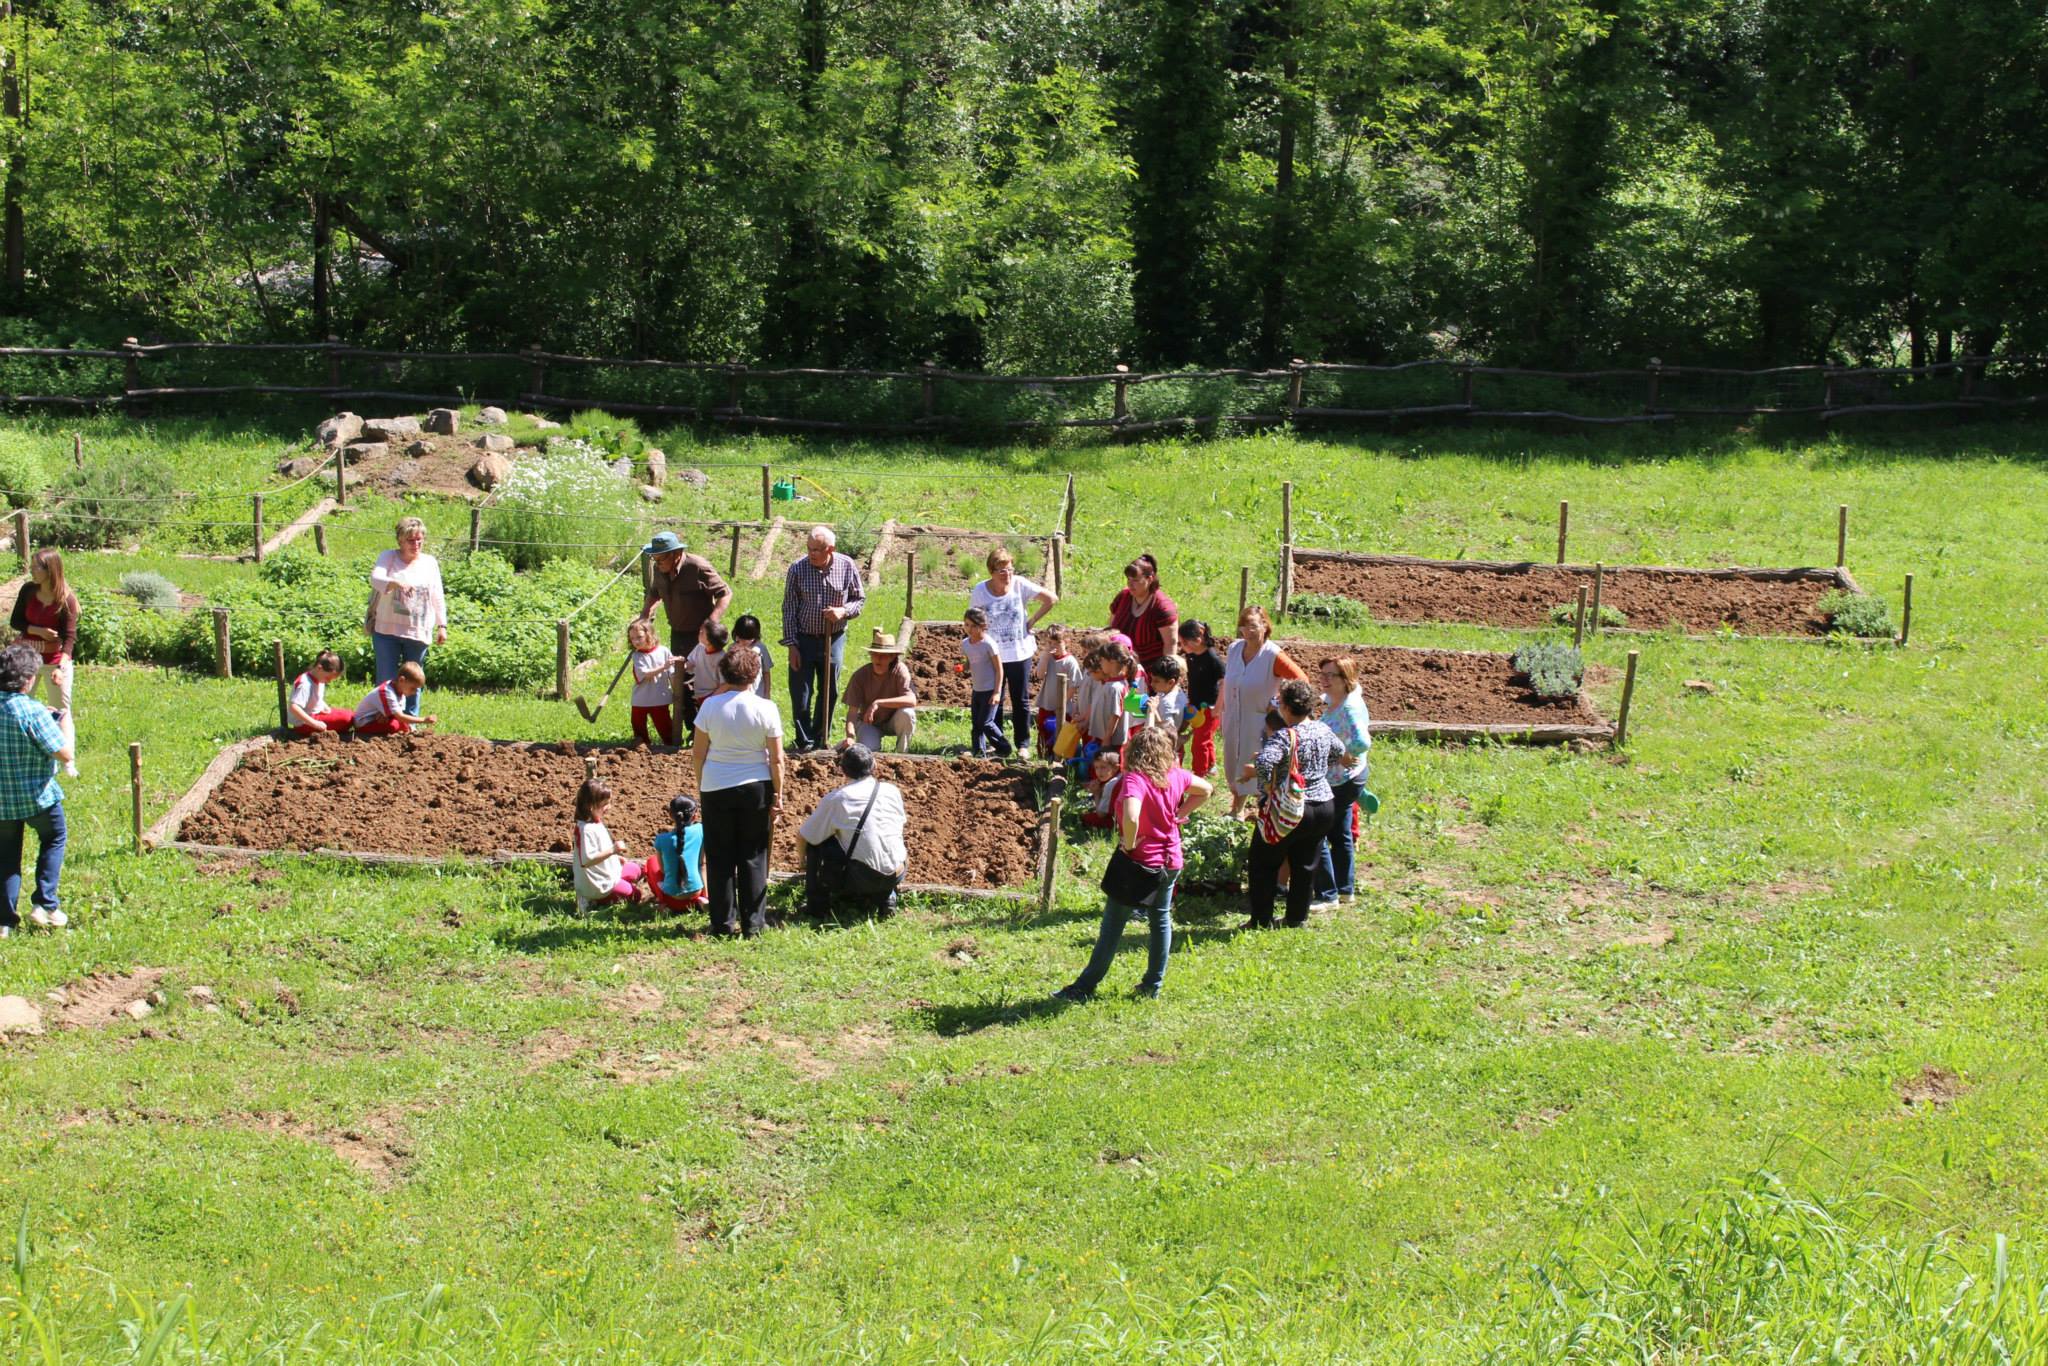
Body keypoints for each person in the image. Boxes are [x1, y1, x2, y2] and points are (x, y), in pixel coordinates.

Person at [1054, 726, 1212, 1002]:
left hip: (1140, 863)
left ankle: (1084, 987)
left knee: (1113, 925)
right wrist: (1179, 815)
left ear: (1134, 752)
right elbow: (1207, 789)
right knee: (1160, 920)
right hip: (1170, 860)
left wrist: (1129, 843)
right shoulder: (1175, 775)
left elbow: (1131, 815)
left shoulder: (1135, 780)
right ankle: (1153, 985)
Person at [691, 646, 785, 937]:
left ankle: (722, 924)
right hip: (756, 787)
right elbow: (778, 758)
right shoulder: (766, 708)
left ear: (724, 673)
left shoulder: (709, 706)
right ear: (754, 675)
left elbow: (698, 753)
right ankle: (754, 924)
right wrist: (778, 795)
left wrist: (701, 783)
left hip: (715, 785)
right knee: (753, 855)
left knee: (719, 856)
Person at [1242, 678, 1342, 930]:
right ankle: (1297, 918)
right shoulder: (1322, 729)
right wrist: (1315, 771)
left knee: (1263, 863)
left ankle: (1261, 921)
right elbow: (1339, 751)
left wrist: (1267, 788)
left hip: (1290, 808)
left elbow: (1265, 763)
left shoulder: (1285, 736)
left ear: (1285, 707)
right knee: (1306, 864)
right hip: (1323, 806)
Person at [0, 644, 73, 936]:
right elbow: (64, 753)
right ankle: (45, 905)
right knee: (54, 837)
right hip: (37, 798)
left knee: (6, 857)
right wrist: (62, 718)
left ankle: (4, 922)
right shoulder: (32, 711)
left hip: (2, 802)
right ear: (29, 679)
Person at [798, 743, 908, 919]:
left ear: (843, 770)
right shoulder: (892, 791)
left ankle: (817, 906)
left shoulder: (838, 798)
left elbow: (804, 836)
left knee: (816, 843)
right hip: (898, 871)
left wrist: (801, 862)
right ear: (874, 766)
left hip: (863, 877)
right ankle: (887, 897)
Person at [780, 525, 865, 752]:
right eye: (809, 548)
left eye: (817, 549)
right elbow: (789, 608)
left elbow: (859, 599)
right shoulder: (798, 569)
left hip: (833, 637)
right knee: (801, 691)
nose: (812, 554)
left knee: (830, 688)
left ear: (830, 549)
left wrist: (843, 611)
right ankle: (803, 739)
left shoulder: (846, 565)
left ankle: (820, 737)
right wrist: (792, 644)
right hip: (804, 638)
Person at [969, 545, 1057, 754]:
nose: (1007, 574)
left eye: (1010, 569)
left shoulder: (1020, 585)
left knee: (1020, 699)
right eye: (1001, 570)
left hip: (1019, 652)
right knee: (994, 699)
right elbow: (973, 618)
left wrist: (1032, 620)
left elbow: (1051, 599)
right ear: (991, 571)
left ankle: (1022, 744)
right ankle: (997, 743)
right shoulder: (981, 591)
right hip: (993, 654)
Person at [1221, 604, 1304, 815]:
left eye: (1252, 626)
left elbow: (1301, 680)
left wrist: (1278, 701)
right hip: (1234, 716)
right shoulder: (1234, 649)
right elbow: (1228, 681)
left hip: (1259, 720)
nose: (1247, 631)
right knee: (1234, 761)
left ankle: (1266, 812)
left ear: (1265, 626)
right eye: (1243, 626)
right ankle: (1236, 809)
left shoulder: (1272, 655)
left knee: (1257, 765)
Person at [367, 517, 447, 718]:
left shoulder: (429, 563)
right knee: (386, 680)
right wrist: (396, 583)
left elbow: (437, 594)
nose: (416, 545)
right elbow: (376, 578)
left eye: (420, 540)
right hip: (386, 630)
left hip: (417, 630)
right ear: (400, 540)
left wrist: (442, 625)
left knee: (413, 681)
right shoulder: (388, 557)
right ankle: (384, 719)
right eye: (411, 540)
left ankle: (410, 720)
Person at [10, 549, 79, 776]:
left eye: (36, 566)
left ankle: (68, 761)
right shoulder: (29, 591)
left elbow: (70, 638)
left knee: (61, 709)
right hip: (27, 658)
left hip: (53, 659)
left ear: (50, 570)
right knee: (17, 705)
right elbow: (16, 620)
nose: (32, 569)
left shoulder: (66, 600)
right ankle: (18, 753)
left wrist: (62, 667)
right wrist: (37, 629)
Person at [1312, 656, 1373, 908]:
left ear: (1345, 680)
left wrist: (1345, 754)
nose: (1324, 679)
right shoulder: (1339, 699)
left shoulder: (1349, 708)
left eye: (1331, 676)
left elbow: (1362, 741)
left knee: (1317, 832)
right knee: (1341, 834)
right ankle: (1345, 889)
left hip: (1342, 779)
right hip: (1346, 777)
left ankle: (1328, 895)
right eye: (1323, 674)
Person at [636, 530, 732, 659]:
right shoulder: (659, 569)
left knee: (703, 674)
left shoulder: (697, 567)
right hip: (677, 633)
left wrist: (711, 622)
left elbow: (725, 593)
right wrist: (644, 616)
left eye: (661, 559)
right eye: (654, 559)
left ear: (676, 554)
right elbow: (654, 593)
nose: (657, 564)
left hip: (701, 634)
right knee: (680, 672)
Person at [571, 778, 644, 913]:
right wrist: (613, 850)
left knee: (636, 869)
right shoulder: (586, 830)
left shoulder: (594, 821)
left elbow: (599, 849)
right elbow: (586, 860)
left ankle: (618, 888)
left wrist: (614, 859)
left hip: (606, 873)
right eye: (605, 804)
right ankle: (592, 899)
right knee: (636, 896)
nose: (608, 807)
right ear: (591, 806)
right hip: (597, 885)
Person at [842, 630, 918, 752]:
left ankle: (902, 754)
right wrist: (850, 737)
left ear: (892, 657)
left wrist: (878, 702)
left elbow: (911, 700)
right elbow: (852, 713)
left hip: (894, 720)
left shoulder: (899, 670)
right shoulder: (860, 676)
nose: (878, 659)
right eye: (875, 654)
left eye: (883, 655)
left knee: (907, 714)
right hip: (869, 724)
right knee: (867, 751)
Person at [1107, 554, 1179, 666]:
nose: (1130, 584)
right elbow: (1110, 630)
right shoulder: (1123, 597)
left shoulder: (1162, 607)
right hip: (1118, 668)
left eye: (1135, 580)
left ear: (1149, 579)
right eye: (1128, 579)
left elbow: (1170, 644)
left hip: (1149, 673)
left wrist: (1164, 675)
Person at [960, 607, 1010, 758]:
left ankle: (1004, 747)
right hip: (977, 689)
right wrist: (963, 667)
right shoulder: (965, 644)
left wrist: (997, 692)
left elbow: (999, 669)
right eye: (967, 624)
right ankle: (979, 752)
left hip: (990, 689)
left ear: (983, 626)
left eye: (974, 626)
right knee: (976, 724)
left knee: (986, 722)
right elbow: (969, 663)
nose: (970, 629)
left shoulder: (989, 644)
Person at [1178, 620, 1224, 777]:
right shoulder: (1191, 655)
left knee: (1199, 743)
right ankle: (1210, 766)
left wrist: (1217, 708)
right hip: (1196, 705)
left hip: (1209, 708)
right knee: (1205, 737)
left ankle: (1199, 774)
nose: (1181, 645)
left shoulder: (1212, 659)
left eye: (1184, 642)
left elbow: (1225, 683)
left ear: (1198, 640)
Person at [648, 794, 708, 913]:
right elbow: (702, 865)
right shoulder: (700, 830)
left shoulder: (661, 839)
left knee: (651, 862)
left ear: (670, 815)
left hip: (672, 899)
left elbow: (663, 870)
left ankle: (663, 904)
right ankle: (703, 901)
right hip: (696, 894)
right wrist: (706, 895)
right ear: (695, 816)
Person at [626, 619, 678, 747]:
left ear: (650, 634)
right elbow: (646, 674)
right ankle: (642, 747)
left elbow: (672, 673)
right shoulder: (637, 656)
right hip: (641, 699)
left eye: (639, 637)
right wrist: (664, 666)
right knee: (638, 727)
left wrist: (677, 691)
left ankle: (670, 747)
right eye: (632, 638)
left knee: (665, 726)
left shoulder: (664, 651)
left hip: (659, 698)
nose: (636, 641)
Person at [1035, 625, 1081, 758]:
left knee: (1061, 732)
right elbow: (1039, 675)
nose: (1053, 647)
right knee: (1044, 730)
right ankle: (1044, 756)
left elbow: (1074, 685)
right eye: (1050, 643)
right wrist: (1044, 657)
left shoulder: (1070, 662)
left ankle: (1061, 757)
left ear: (1067, 642)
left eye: (1057, 643)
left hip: (1063, 707)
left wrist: (1063, 704)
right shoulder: (1048, 658)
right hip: (1046, 702)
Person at [353, 662, 435, 736]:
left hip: (377, 720)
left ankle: (409, 732)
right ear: (401, 680)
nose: (414, 692)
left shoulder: (400, 691)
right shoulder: (386, 692)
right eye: (413, 688)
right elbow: (400, 717)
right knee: (395, 726)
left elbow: (397, 715)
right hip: (363, 723)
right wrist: (423, 720)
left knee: (399, 725)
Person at [287, 650, 356, 735]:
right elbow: (294, 707)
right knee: (346, 719)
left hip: (315, 713)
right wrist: (314, 724)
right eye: (328, 678)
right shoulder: (305, 684)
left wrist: (324, 706)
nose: (329, 681)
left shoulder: (319, 678)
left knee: (351, 714)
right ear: (319, 668)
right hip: (304, 723)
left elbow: (315, 697)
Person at [682, 620, 730, 740]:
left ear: (709, 641)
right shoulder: (699, 648)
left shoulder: (721, 659)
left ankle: (706, 741)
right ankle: (697, 736)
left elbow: (725, 684)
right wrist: (681, 667)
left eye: (702, 632)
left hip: (712, 695)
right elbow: (691, 662)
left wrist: (711, 699)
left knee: (710, 723)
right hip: (699, 693)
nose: (699, 632)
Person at [1141, 654, 1186, 738]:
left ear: (1171, 682)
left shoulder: (1167, 703)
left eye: (1156, 681)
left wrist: (1153, 711)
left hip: (1161, 745)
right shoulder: (1178, 692)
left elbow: (1168, 733)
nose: (1151, 684)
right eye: (1152, 679)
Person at [731, 614, 773, 701]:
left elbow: (766, 672)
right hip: (736, 695)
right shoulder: (732, 649)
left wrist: (767, 693)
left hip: (757, 694)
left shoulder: (760, 648)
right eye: (739, 638)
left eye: (747, 639)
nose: (741, 641)